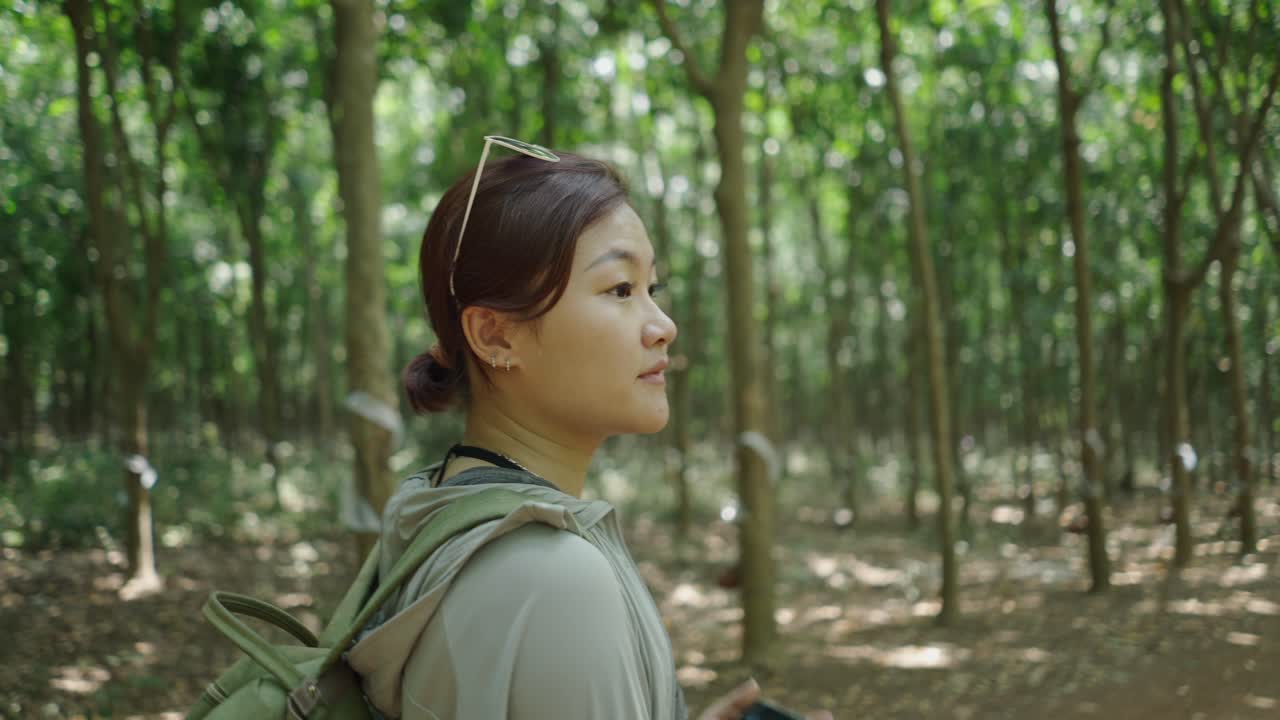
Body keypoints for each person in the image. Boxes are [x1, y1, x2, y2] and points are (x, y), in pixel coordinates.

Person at [346, 137, 829, 720]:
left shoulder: (430, 510)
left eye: (653, 289)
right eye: (619, 289)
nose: (664, 326)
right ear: (496, 336)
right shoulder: (557, 580)